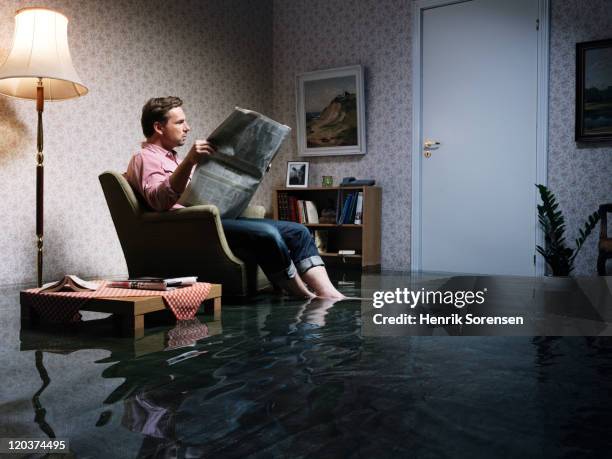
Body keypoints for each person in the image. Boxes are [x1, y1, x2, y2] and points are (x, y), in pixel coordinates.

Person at [126, 96, 344, 299]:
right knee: (266, 234)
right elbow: (158, 201)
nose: (187, 127)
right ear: (158, 127)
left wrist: (253, 168)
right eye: (180, 122)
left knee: (299, 231)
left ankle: (329, 293)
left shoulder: (174, 159)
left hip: (218, 217)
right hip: (193, 226)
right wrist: (190, 161)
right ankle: (304, 294)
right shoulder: (145, 158)